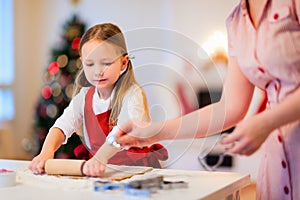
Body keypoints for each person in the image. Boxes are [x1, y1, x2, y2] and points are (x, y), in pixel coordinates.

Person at [116, 0, 300, 199]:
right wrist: (154, 132)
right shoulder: (236, 22)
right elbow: (230, 108)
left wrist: (267, 121)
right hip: (276, 164)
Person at [29, 23, 168, 177]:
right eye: (89, 64)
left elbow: (122, 131)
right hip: (100, 171)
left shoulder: (132, 94)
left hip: (134, 171)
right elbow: (62, 126)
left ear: (123, 62)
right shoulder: (84, 97)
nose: (97, 71)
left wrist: (100, 158)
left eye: (106, 63)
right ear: (82, 63)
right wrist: (46, 152)